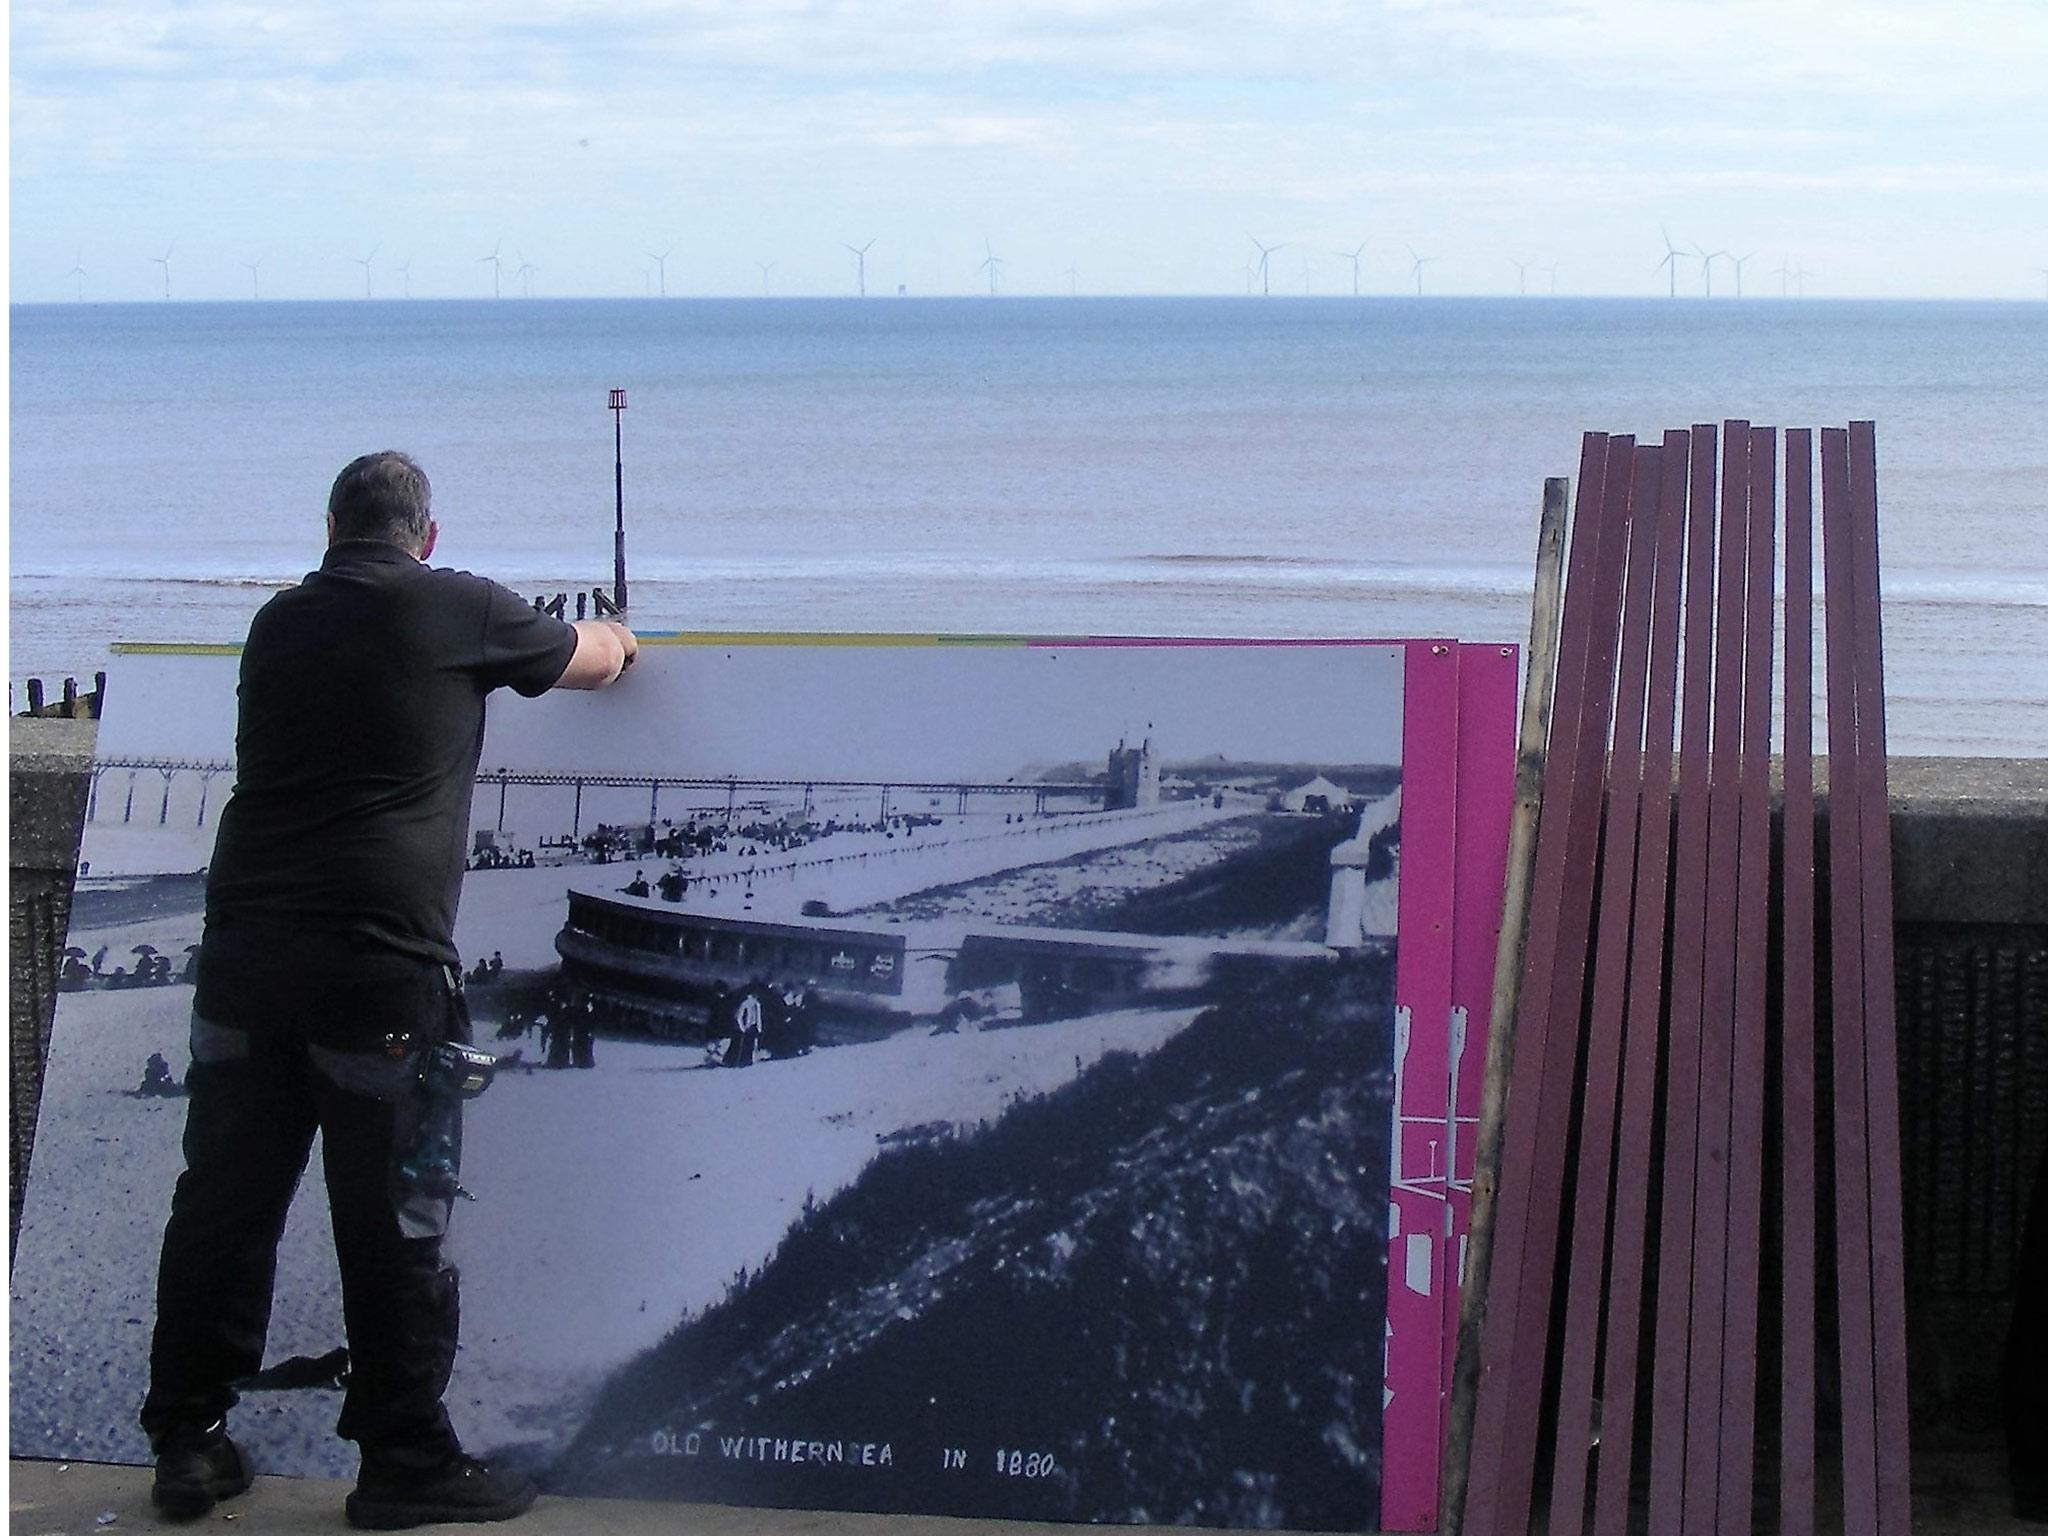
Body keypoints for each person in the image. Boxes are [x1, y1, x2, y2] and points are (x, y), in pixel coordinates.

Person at [138, 451, 635, 1528]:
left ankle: (187, 1439)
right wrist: (627, 633)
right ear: (430, 533)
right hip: (378, 965)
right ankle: (404, 1458)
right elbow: (596, 658)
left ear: (328, 527)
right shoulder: (455, 607)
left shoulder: (277, 624)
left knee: (222, 1202)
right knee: (394, 1215)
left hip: (243, 956)